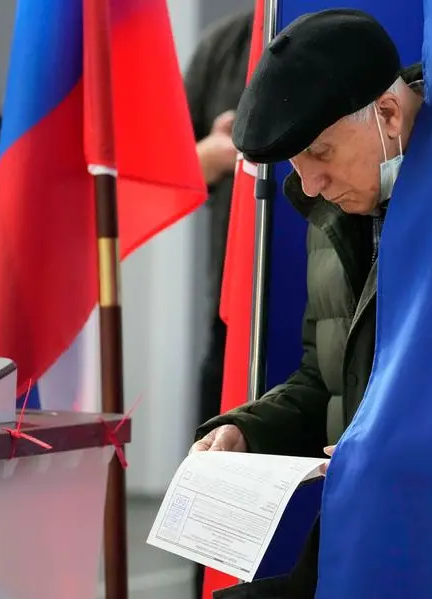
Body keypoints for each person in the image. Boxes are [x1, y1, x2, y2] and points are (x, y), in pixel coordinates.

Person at [190, 9, 424, 599]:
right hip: (361, 530)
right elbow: (324, 378)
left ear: (389, 114)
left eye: (320, 152)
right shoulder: (332, 208)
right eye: (296, 165)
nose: (311, 183)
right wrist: (247, 430)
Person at [181, 11, 254, 598]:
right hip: (231, 311)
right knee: (215, 468)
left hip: (348, 301)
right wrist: (206, 156)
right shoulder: (222, 48)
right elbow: (156, 168)